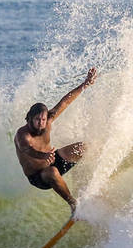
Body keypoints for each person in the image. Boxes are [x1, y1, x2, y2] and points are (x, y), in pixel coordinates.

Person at [15, 68, 97, 215]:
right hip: (39, 176)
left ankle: (89, 182)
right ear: (30, 119)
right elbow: (27, 149)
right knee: (52, 172)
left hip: (52, 160)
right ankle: (73, 204)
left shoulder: (48, 121)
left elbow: (65, 101)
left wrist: (84, 85)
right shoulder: (23, 135)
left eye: (43, 119)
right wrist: (43, 156)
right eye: (37, 120)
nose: (41, 123)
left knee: (83, 147)